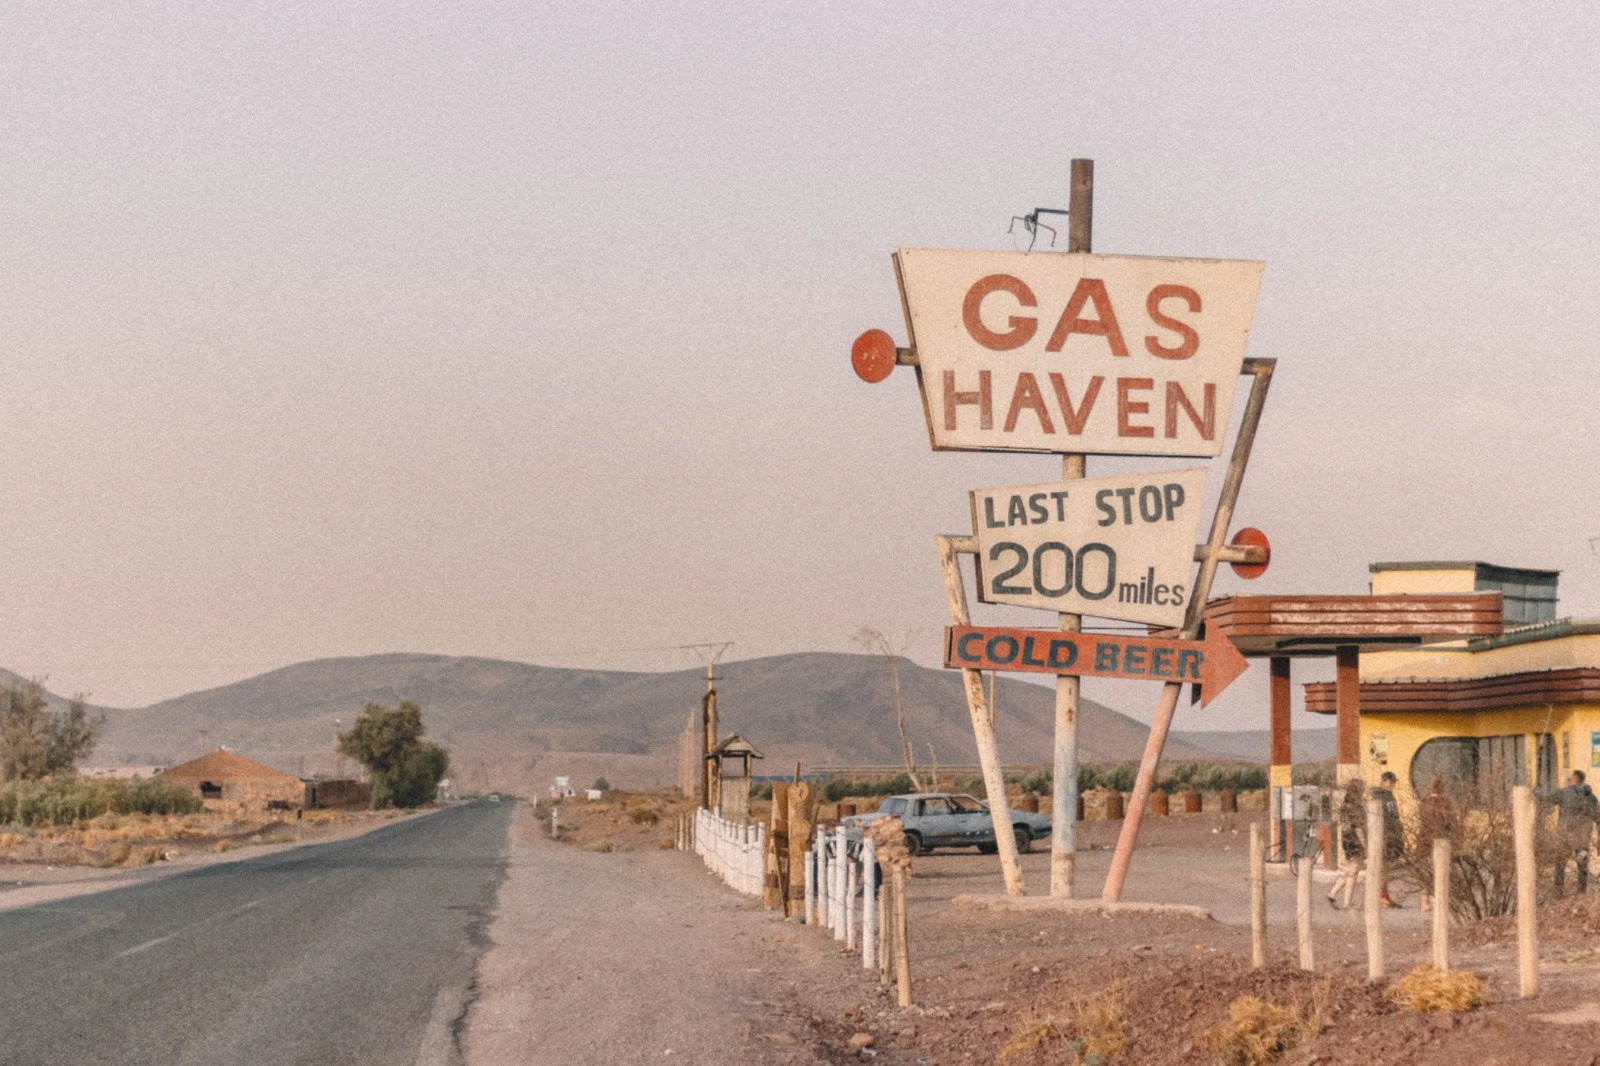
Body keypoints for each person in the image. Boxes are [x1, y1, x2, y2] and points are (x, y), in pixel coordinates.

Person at [1551, 770, 1599, 894]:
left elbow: (1548, 798)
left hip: (1565, 836)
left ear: (1575, 779)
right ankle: (1581, 893)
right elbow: (1598, 819)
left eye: (1570, 778)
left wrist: (1533, 792)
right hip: (1582, 838)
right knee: (1582, 865)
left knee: (1560, 863)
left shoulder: (1564, 793)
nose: (1568, 779)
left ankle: (1558, 891)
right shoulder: (1593, 798)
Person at [1417, 776, 1455, 914]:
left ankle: (1424, 901)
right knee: (1440, 869)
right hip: (1441, 838)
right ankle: (1438, 898)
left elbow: (1422, 818)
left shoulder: (1423, 801)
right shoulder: (1445, 802)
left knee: (1426, 870)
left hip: (1424, 837)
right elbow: (1449, 820)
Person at [1327, 778, 1366, 910]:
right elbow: (1358, 827)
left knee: (1351, 869)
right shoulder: (1356, 807)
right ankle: (1346, 901)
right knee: (1353, 871)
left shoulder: (1345, 806)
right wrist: (1365, 844)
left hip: (1346, 839)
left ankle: (1334, 894)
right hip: (1355, 840)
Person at [1374, 772, 1404, 907]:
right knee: (1382, 868)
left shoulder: (1390, 796)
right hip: (1384, 835)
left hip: (1393, 835)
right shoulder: (1378, 796)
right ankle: (1380, 896)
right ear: (1383, 781)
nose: (1392, 785)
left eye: (1394, 782)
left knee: (1387, 868)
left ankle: (1384, 895)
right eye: (1390, 782)